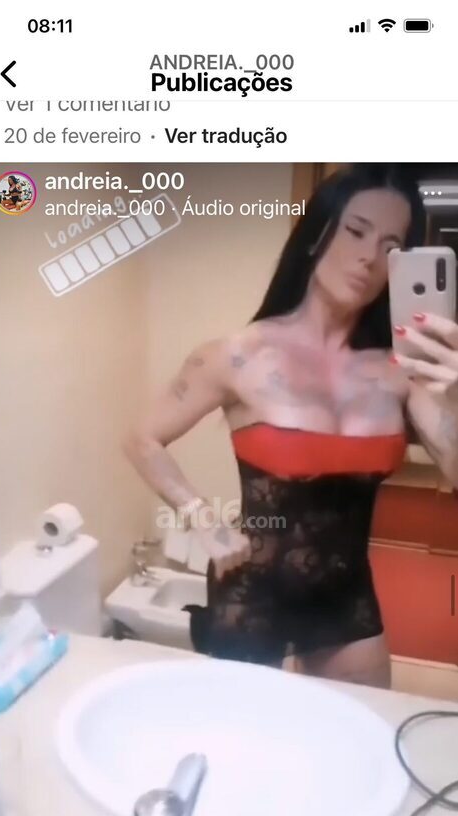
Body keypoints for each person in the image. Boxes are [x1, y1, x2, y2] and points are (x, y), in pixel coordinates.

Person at [124, 164, 458, 688]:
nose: (370, 257)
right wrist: (203, 520)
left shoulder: (404, 372)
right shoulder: (236, 356)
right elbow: (142, 438)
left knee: (356, 731)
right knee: (243, 735)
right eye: (356, 231)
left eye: (391, 246)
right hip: (250, 595)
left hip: (347, 602)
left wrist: (453, 393)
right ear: (316, 233)